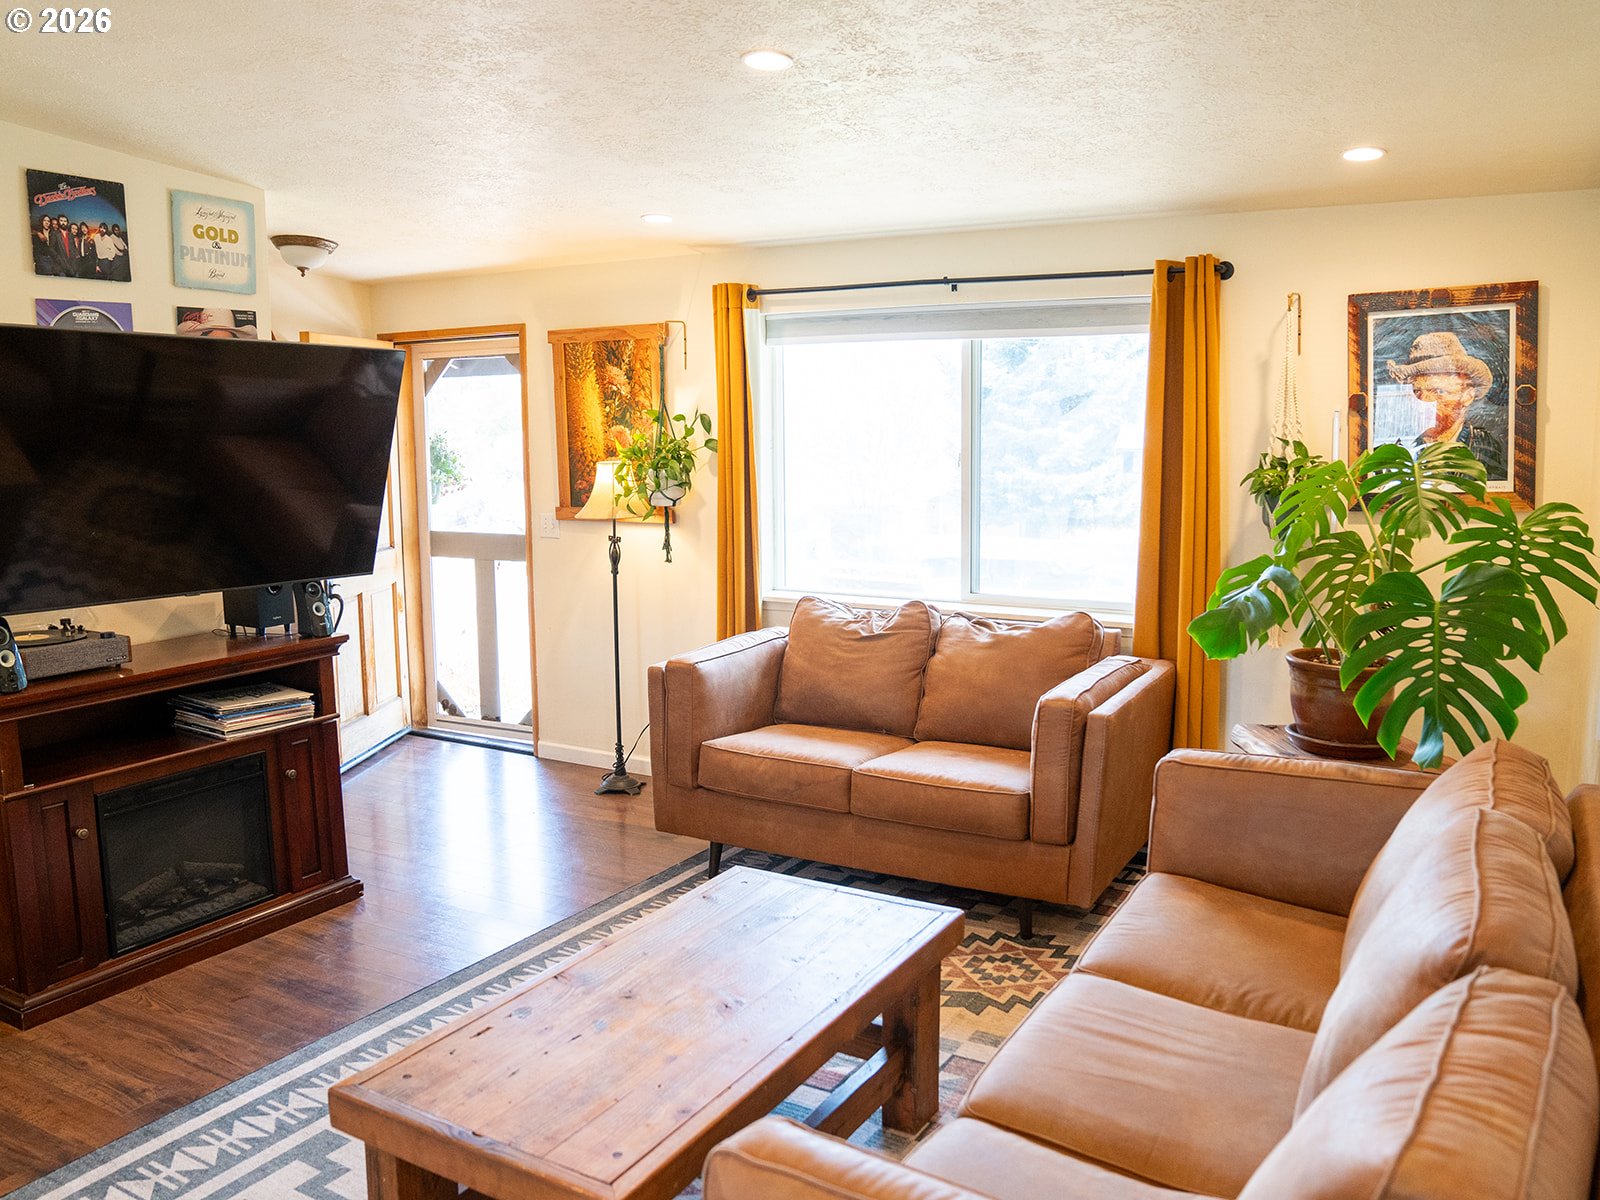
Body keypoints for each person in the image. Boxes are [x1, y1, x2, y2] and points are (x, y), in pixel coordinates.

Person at [1385, 330, 1507, 479]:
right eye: (1416, 391)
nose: (1423, 402)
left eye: (1438, 391)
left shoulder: (1487, 449)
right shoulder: (1398, 452)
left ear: (1467, 396)